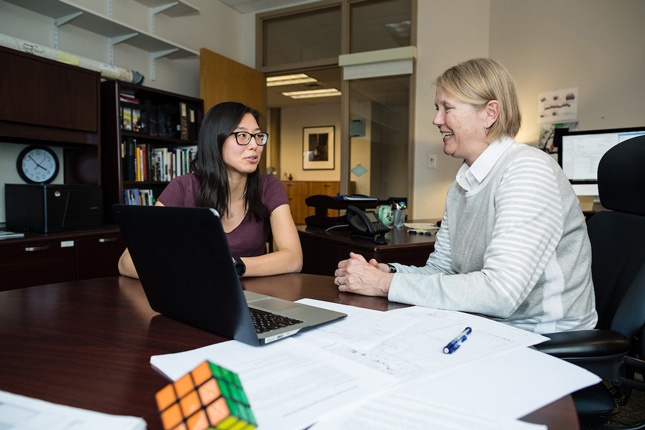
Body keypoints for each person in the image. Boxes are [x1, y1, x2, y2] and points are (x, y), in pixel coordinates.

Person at [334, 58, 597, 334]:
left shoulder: (528, 171)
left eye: (447, 108)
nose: (437, 120)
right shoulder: (461, 186)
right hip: (489, 327)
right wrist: (387, 272)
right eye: (437, 108)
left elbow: (500, 293)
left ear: (490, 113)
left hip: (546, 339)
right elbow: (443, 272)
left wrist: (383, 285)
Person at [118, 101, 303, 279]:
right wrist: (191, 271)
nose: (254, 145)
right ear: (216, 140)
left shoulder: (268, 186)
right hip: (197, 294)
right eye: (242, 136)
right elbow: (127, 262)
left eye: (257, 136)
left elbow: (294, 259)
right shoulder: (184, 187)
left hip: (253, 296)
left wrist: (232, 266)